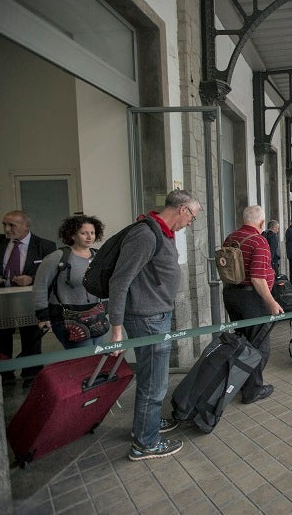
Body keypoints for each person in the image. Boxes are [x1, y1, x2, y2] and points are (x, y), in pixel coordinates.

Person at [109, 189, 199, 461]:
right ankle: (145, 443)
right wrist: (116, 329)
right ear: (182, 209)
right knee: (154, 383)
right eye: (192, 217)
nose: (190, 223)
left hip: (157, 316)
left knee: (153, 379)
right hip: (147, 319)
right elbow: (120, 280)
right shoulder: (145, 234)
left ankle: (145, 426)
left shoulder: (163, 233)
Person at [223, 205, 284, 404]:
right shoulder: (259, 241)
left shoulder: (230, 238)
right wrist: (272, 302)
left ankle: (240, 382)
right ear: (261, 222)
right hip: (251, 299)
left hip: (231, 295)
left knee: (243, 342)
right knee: (259, 346)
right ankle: (252, 390)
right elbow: (258, 279)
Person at [0, 210, 57, 385]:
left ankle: (31, 376)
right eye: (5, 224)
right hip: (2, 302)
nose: (7, 229)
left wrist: (32, 279)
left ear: (26, 226)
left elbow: (52, 274)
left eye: (12, 225)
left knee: (31, 338)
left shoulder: (45, 246)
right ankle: (5, 375)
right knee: (2, 338)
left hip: (30, 302)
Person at [33, 215, 106, 350]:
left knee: (98, 356)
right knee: (86, 359)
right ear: (72, 235)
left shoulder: (99, 256)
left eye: (92, 233)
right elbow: (40, 286)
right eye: (84, 233)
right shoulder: (58, 257)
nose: (89, 237)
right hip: (67, 317)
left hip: (95, 316)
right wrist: (43, 316)